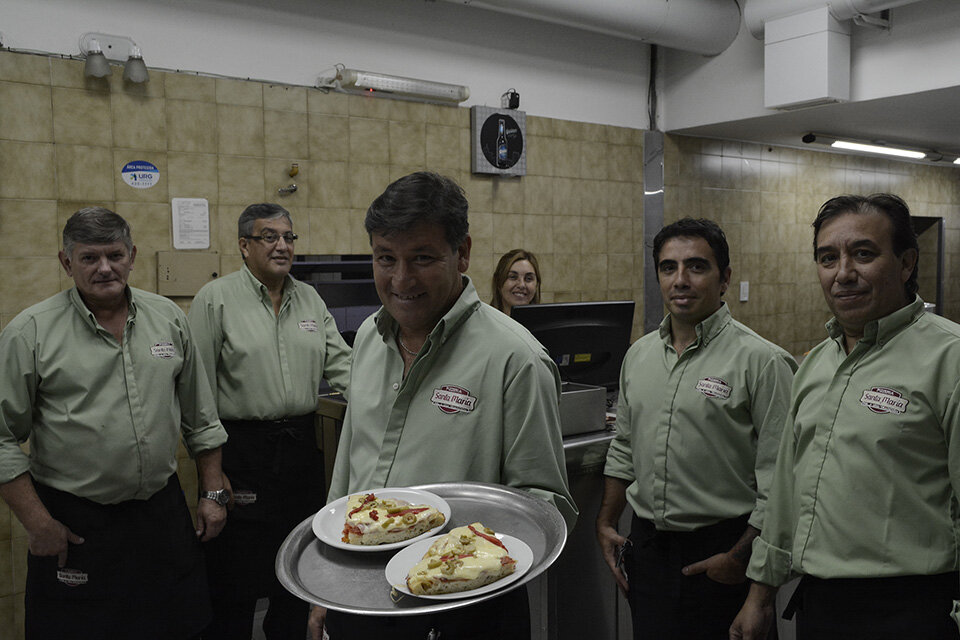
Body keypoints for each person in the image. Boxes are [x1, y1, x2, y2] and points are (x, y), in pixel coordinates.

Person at [313, 171, 577, 640]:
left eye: (422, 258)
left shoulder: (515, 359)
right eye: (385, 258)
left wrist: (450, 558)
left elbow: (547, 507)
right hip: (362, 599)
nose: (400, 279)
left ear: (463, 253)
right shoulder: (371, 340)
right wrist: (326, 585)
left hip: (462, 608)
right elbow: (349, 474)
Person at [732, 194, 960, 640]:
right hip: (822, 606)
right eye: (827, 257)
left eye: (863, 254)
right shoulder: (816, 364)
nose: (843, 274)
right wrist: (759, 596)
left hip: (914, 611)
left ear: (906, 262)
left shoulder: (948, 360)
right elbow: (785, 492)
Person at [0, 207, 229, 639]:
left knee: (180, 626)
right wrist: (37, 523)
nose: (105, 267)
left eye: (114, 254)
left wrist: (212, 492)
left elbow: (201, 417)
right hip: (77, 524)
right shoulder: (29, 333)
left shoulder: (168, 318)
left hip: (161, 516)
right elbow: (1, 439)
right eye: (89, 258)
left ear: (132, 256)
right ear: (67, 262)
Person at [596, 218, 797, 639]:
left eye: (696, 267)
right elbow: (624, 447)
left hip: (724, 550)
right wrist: (607, 521)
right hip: (648, 552)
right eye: (669, 268)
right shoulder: (639, 356)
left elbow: (780, 482)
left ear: (724, 278)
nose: (680, 280)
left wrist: (740, 558)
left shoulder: (762, 362)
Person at [188, 203, 352, 640]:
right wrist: (212, 478)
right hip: (241, 453)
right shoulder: (215, 299)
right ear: (244, 246)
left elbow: (345, 368)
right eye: (269, 236)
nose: (282, 245)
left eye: (288, 237)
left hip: (300, 451)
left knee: (299, 575)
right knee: (234, 588)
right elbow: (197, 394)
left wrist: (399, 397)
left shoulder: (310, 299)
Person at [490, 248, 541, 314]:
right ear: (498, 282)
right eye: (513, 277)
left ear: (536, 285)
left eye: (528, 278)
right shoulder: (483, 322)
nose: (521, 285)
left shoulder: (547, 323)